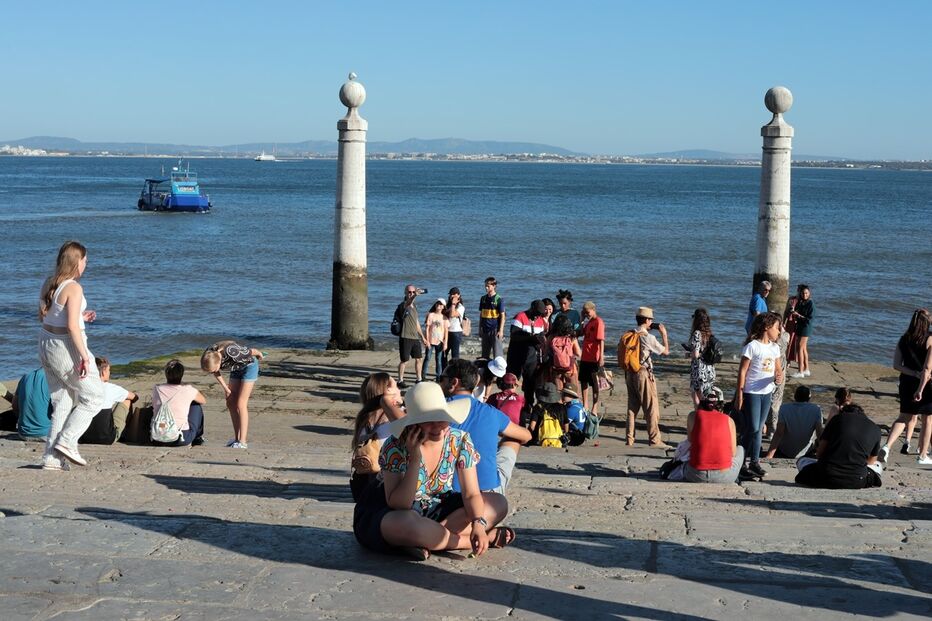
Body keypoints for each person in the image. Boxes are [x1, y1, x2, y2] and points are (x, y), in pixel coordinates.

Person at [352, 382, 514, 561]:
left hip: (437, 506)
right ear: (414, 423)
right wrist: (414, 458)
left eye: (441, 417)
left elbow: (471, 493)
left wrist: (478, 522)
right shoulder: (395, 446)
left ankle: (428, 539)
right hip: (394, 510)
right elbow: (400, 504)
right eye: (428, 421)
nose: (437, 425)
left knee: (497, 503)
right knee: (405, 524)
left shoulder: (458, 440)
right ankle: (464, 541)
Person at [37, 240, 106, 470]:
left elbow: (47, 316)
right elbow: (72, 329)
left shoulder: (50, 283)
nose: (86, 264)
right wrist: (85, 356)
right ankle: (66, 441)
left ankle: (51, 457)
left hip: (45, 341)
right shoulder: (74, 287)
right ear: (77, 262)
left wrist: (79, 317)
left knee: (63, 400)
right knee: (95, 397)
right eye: (85, 260)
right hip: (64, 346)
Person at [441, 359, 531, 495]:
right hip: (488, 492)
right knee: (513, 439)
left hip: (446, 489)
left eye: (441, 379)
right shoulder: (490, 412)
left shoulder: (435, 412)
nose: (439, 383)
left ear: (453, 383)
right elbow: (527, 436)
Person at [880, 309, 932, 465]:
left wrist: (913, 373)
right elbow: (927, 369)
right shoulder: (930, 339)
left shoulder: (904, 339)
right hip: (926, 386)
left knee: (903, 417)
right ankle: (922, 455)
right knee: (928, 419)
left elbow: (896, 365)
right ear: (927, 322)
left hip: (906, 382)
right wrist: (920, 389)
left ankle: (887, 447)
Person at [736, 312, 784, 479]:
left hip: (767, 392)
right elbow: (742, 371)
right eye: (777, 328)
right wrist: (739, 395)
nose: (780, 331)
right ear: (766, 327)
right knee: (752, 428)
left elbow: (778, 369)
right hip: (751, 392)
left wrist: (779, 377)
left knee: (759, 430)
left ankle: (754, 463)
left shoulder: (775, 348)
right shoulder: (752, 346)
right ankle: (740, 463)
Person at [620, 306, 672, 449]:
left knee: (632, 408)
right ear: (647, 320)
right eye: (651, 320)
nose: (651, 322)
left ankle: (629, 440)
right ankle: (655, 440)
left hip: (629, 372)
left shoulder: (629, 334)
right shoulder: (649, 338)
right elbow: (666, 352)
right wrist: (664, 334)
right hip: (643, 374)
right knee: (651, 407)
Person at [795, 403, 882, 489]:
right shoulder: (876, 428)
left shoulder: (837, 419)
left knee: (802, 461)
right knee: (878, 465)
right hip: (858, 480)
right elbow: (871, 462)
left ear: (843, 412)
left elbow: (819, 453)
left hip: (826, 477)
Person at [350, 373, 403, 501]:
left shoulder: (364, 418)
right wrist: (394, 403)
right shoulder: (393, 420)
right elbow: (411, 426)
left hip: (367, 484)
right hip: (389, 484)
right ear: (387, 392)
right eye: (396, 386)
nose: (400, 390)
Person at [201, 340, 264, 449]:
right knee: (230, 402)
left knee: (241, 403)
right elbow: (215, 371)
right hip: (236, 368)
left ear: (219, 362)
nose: (213, 372)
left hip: (249, 366)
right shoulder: (209, 355)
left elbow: (252, 351)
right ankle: (236, 438)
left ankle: (243, 441)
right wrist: (226, 388)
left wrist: (260, 354)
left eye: (214, 369)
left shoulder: (232, 352)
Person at [684, 386, 744, 483]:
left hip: (695, 475)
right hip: (724, 476)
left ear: (702, 402)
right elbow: (733, 453)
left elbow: (690, 441)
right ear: (721, 404)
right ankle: (736, 477)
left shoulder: (692, 416)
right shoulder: (729, 420)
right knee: (740, 449)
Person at [80, 356, 138, 445]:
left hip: (83, 437)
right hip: (106, 438)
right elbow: (134, 397)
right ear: (103, 372)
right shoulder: (110, 388)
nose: (109, 373)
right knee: (127, 400)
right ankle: (125, 433)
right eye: (109, 370)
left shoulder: (81, 387)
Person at [152, 359, 207, 447]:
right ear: (181, 374)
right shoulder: (187, 389)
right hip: (182, 438)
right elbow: (203, 400)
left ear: (166, 374)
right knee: (196, 404)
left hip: (158, 436)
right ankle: (197, 438)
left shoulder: (157, 389)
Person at [506, 300, 548, 408]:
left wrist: (540, 343)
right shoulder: (520, 317)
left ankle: (528, 406)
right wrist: (530, 338)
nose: (538, 316)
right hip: (516, 355)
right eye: (537, 313)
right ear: (532, 308)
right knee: (511, 381)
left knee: (530, 384)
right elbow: (514, 336)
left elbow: (542, 337)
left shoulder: (540, 321)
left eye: (540, 314)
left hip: (531, 357)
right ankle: (508, 405)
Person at [765, 386, 823, 459]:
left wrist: (769, 455)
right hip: (806, 452)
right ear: (809, 397)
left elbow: (779, 433)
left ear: (795, 396)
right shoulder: (816, 409)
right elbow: (819, 433)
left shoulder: (784, 408)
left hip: (785, 450)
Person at [395, 285, 428, 389]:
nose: (411, 293)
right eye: (409, 292)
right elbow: (408, 302)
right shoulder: (403, 305)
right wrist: (415, 296)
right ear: (405, 292)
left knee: (419, 359)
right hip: (405, 336)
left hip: (415, 337)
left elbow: (416, 323)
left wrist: (422, 337)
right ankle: (400, 380)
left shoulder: (415, 306)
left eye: (413, 292)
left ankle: (419, 379)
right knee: (404, 360)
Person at [578, 301, 605, 418]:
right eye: (585, 312)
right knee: (583, 381)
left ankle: (595, 406)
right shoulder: (589, 323)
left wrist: (601, 357)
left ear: (593, 309)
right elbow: (579, 332)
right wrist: (581, 318)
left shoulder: (598, 322)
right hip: (585, 356)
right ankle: (585, 404)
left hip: (594, 357)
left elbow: (601, 340)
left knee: (595, 384)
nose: (587, 314)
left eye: (587, 312)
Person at [686, 308, 716, 409]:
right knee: (706, 398)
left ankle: (699, 420)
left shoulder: (697, 334)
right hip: (710, 369)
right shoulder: (709, 334)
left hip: (699, 370)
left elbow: (695, 354)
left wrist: (688, 355)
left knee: (696, 397)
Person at [13, 369, 52, 442]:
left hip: (23, 434)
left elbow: (15, 406)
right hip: (47, 435)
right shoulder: (55, 380)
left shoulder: (25, 377)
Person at [786, 284, 815, 378]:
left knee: (799, 348)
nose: (804, 295)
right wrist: (793, 311)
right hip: (800, 326)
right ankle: (806, 370)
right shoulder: (801, 302)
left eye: (806, 293)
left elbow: (809, 319)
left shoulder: (810, 303)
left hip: (806, 327)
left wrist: (798, 315)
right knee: (803, 348)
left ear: (809, 293)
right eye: (802, 293)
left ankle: (800, 371)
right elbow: (796, 312)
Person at [548, 313, 581, 390]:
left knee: (558, 393)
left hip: (556, 368)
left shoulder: (551, 337)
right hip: (570, 369)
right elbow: (578, 353)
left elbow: (546, 352)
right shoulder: (572, 338)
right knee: (573, 394)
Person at [478, 277, 505, 359]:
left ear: (494, 286)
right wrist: (480, 328)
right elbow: (481, 315)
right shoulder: (483, 298)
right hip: (485, 329)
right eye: (485, 286)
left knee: (497, 356)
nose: (486, 288)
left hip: (495, 329)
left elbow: (503, 316)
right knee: (484, 356)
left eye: (488, 286)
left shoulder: (499, 299)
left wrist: (501, 331)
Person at [422, 298, 448, 381]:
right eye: (437, 303)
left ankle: (438, 377)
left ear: (443, 307)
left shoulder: (444, 318)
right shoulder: (431, 315)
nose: (438, 305)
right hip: (430, 340)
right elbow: (427, 328)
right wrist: (427, 340)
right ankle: (423, 376)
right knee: (427, 358)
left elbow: (446, 331)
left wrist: (445, 342)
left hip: (440, 341)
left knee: (438, 360)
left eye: (440, 304)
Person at [444, 287, 467, 363]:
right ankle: (445, 371)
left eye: (454, 294)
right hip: (446, 332)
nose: (452, 296)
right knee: (443, 353)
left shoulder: (461, 307)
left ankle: (455, 373)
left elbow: (452, 314)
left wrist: (454, 303)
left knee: (455, 355)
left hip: (456, 332)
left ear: (459, 295)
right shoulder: (448, 306)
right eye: (451, 294)